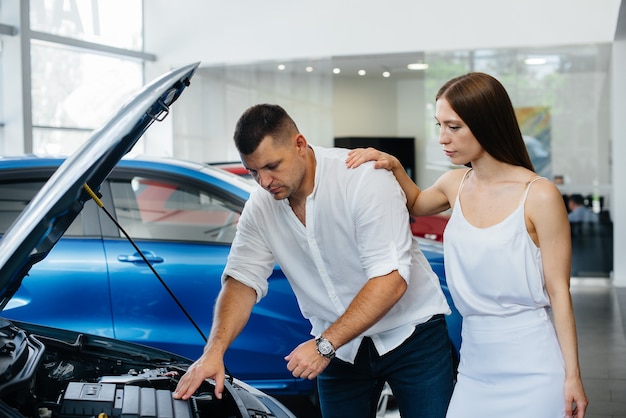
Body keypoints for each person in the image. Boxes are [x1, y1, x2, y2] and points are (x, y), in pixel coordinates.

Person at [173, 104, 455, 417]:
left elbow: (390, 280)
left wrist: (325, 345)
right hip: (341, 349)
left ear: (299, 144)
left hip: (412, 337)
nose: (264, 181)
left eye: (272, 166)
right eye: (253, 171)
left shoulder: (362, 178)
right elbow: (242, 279)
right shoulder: (261, 205)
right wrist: (214, 351)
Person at [346, 72, 588, 418]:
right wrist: (395, 166)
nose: (443, 138)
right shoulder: (454, 183)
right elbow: (414, 202)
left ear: (486, 123)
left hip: (534, 363)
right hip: (475, 363)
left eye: (454, 127)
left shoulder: (539, 195)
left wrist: (573, 376)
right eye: (439, 125)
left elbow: (559, 292)